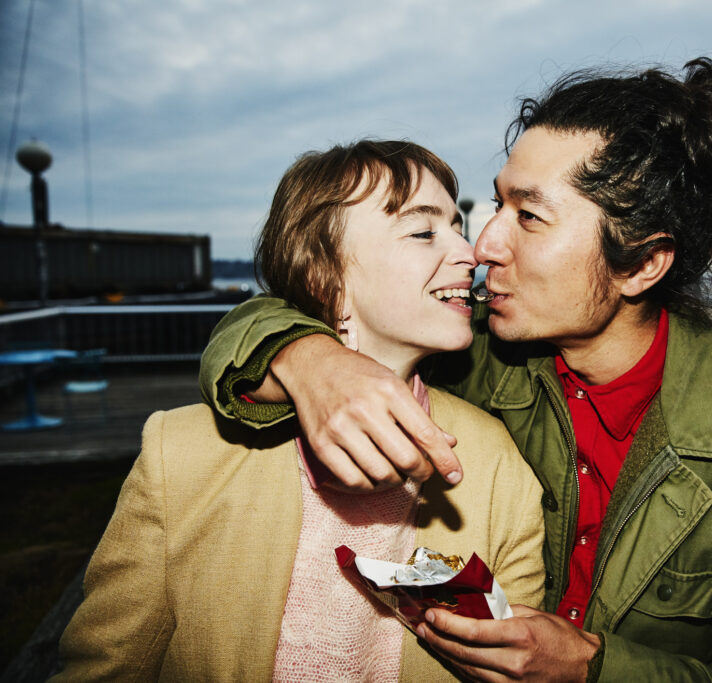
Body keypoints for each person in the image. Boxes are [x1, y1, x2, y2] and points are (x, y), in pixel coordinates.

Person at [198, 59, 712, 681]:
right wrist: (311, 360)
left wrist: (593, 669)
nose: (484, 244)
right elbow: (267, 315)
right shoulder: (470, 354)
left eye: (530, 216)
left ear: (642, 263)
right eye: (498, 205)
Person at [53, 141, 545, 682]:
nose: (470, 253)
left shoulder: (497, 462)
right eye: (423, 232)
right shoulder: (180, 454)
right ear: (326, 281)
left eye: (456, 226)